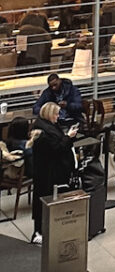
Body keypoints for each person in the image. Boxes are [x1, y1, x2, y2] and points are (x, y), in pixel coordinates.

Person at [26, 103, 76, 243]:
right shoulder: (43, 133)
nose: (58, 116)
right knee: (44, 201)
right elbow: (56, 148)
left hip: (51, 171)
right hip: (47, 173)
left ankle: (46, 229)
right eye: (56, 114)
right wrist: (68, 138)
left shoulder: (47, 127)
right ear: (49, 114)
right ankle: (39, 232)